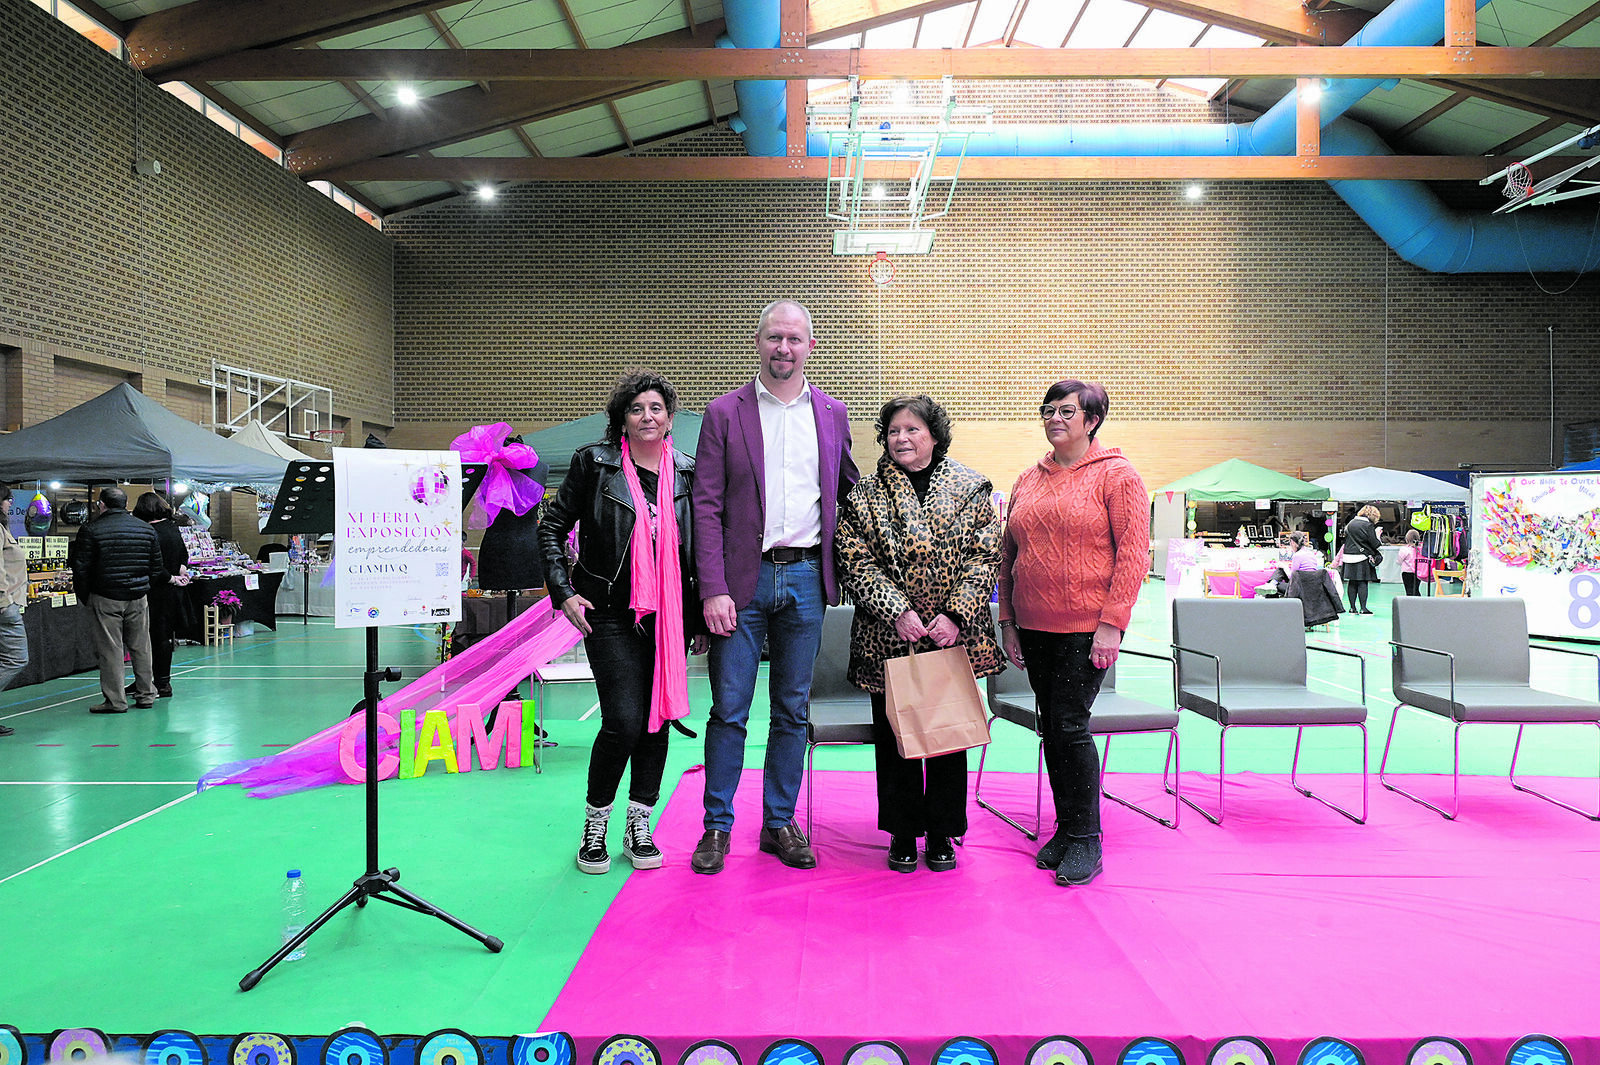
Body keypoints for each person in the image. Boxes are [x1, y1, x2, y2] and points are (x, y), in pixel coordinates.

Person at [690, 299, 859, 875]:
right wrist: (713, 587)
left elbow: (850, 495)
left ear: (810, 346)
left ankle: (779, 823)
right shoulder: (724, 413)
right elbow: (706, 507)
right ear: (757, 342)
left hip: (809, 578)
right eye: (773, 338)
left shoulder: (833, 415)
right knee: (729, 709)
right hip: (742, 583)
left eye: (795, 339)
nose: (783, 348)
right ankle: (716, 826)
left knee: (791, 710)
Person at [539, 370, 706, 875]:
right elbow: (552, 525)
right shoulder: (595, 463)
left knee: (657, 721)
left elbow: (695, 551)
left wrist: (697, 618)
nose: (647, 416)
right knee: (624, 721)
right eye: (637, 409)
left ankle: (639, 825)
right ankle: (595, 824)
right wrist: (563, 591)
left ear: (670, 418)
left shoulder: (688, 470)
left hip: (670, 617)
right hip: (609, 610)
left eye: (656, 408)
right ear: (622, 420)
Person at [836, 395, 1001, 873]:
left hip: (951, 636)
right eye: (893, 431)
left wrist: (955, 614)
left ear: (934, 436)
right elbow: (853, 558)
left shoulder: (971, 488)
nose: (901, 439)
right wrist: (897, 611)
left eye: (912, 430)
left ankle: (943, 832)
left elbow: (985, 557)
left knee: (948, 738)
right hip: (889, 638)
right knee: (896, 741)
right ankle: (903, 831)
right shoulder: (863, 496)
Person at [997, 379, 1149, 887]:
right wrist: (1008, 620)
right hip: (1033, 624)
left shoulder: (1117, 475)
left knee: (1069, 726)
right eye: (1048, 409)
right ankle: (1066, 830)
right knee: (1054, 727)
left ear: (1092, 420)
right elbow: (1008, 555)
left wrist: (1111, 625)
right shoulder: (1027, 479)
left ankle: (1086, 839)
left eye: (1066, 410)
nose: (1054, 418)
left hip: (1085, 628)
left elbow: (1132, 555)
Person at [70, 486, 166, 714]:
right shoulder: (145, 529)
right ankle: (146, 694)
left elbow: (80, 568)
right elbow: (156, 566)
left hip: (105, 597)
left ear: (101, 504)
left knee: (110, 651)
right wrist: (142, 586)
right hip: (138, 597)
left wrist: (86, 596)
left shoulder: (90, 529)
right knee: (142, 647)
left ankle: (115, 701)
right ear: (126, 504)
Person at [129, 492, 189, 699]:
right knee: (163, 638)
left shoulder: (149, 532)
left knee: (150, 639)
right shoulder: (172, 529)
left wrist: (170, 577)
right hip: (171, 592)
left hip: (155, 590)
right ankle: (156, 680)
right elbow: (184, 554)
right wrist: (180, 570)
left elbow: (151, 564)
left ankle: (158, 682)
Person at [0, 488, 28, 736]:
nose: (10, 503)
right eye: (7, 499)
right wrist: (5, 601)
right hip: (3, 608)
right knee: (16, 658)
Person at [1339, 505, 1384, 615]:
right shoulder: (1368, 526)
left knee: (1352, 582)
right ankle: (1363, 608)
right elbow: (1375, 544)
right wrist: (1377, 535)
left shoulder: (1350, 524)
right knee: (1362, 582)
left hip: (1348, 556)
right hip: (1361, 556)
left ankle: (1352, 608)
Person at [1398, 528, 1423, 596]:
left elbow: (1399, 560)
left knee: (1409, 590)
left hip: (1407, 572)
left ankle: (1410, 604)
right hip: (1418, 572)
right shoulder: (1421, 549)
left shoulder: (1404, 549)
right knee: (1416, 589)